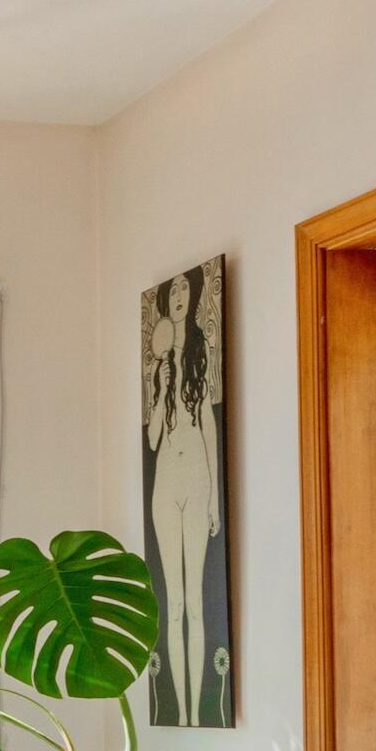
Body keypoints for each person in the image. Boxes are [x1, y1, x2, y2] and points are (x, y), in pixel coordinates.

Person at [146, 264, 222, 724]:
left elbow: (209, 429)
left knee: (195, 602)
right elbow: (153, 438)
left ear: (191, 299)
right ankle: (183, 716)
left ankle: (196, 712)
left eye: (182, 288)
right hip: (163, 487)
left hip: (196, 480)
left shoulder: (202, 356)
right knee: (171, 608)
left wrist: (213, 497)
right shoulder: (163, 371)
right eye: (171, 289)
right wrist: (162, 382)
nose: (177, 293)